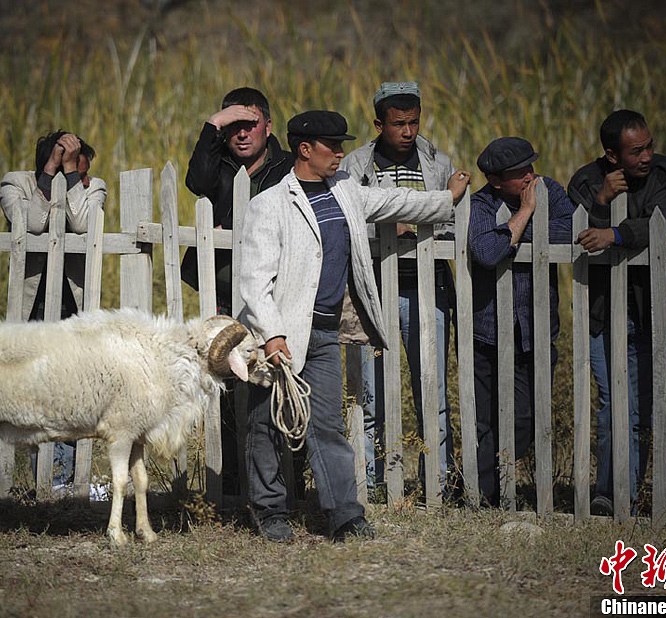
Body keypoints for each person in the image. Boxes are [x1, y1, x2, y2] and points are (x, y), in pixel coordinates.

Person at [238, 109, 470, 541]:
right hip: (277, 336)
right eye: (333, 146)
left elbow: (395, 201)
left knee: (326, 425)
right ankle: (271, 512)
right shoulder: (269, 205)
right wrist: (272, 334)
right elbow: (254, 280)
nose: (341, 154)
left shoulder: (346, 189)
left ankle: (345, 515)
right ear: (305, 150)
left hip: (324, 333)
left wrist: (446, 198)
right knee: (266, 424)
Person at [340, 81, 457, 496]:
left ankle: (438, 482)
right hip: (371, 290)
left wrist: (415, 222)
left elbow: (452, 224)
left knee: (432, 390)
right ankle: (370, 481)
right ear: (379, 124)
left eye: (413, 122)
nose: (407, 132)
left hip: (426, 291)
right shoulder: (356, 164)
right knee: (370, 393)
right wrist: (395, 224)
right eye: (398, 124)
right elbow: (347, 214)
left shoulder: (438, 163)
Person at [183, 87, 294, 496]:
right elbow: (196, 182)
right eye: (232, 127)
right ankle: (230, 482)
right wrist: (213, 125)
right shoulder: (219, 163)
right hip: (224, 289)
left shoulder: (285, 167)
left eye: (250, 124)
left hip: (271, 292)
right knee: (227, 382)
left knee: (275, 378)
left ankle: (284, 479)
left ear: (268, 125)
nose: (242, 134)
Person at [568, 110, 666, 516]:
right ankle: (608, 492)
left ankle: (631, 491)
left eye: (648, 145)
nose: (647, 156)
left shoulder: (663, 172)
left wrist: (614, 233)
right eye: (637, 151)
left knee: (641, 406)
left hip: (646, 305)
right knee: (613, 402)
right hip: (601, 309)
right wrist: (601, 202)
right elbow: (579, 234)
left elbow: (656, 227)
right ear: (612, 156)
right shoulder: (584, 181)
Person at [468, 136, 574, 508]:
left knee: (527, 416)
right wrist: (527, 215)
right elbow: (485, 250)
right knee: (485, 420)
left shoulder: (550, 191)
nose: (530, 176)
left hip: (535, 329)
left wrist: (513, 229)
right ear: (496, 180)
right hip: (487, 329)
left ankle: (513, 480)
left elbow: (570, 233)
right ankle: (486, 496)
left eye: (531, 166)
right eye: (519, 173)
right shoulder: (481, 203)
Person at [0, 130, 106, 491]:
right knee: (39, 396)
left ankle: (68, 478)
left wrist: (73, 176)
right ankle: (47, 477)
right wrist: (50, 175)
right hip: (33, 306)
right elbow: (29, 225)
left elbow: (83, 224)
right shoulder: (17, 184)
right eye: (72, 168)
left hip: (73, 307)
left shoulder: (93, 187)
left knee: (74, 394)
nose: (82, 178)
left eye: (82, 170)